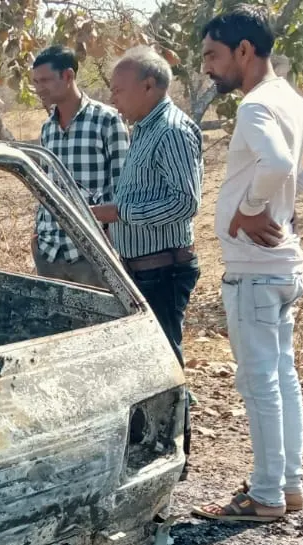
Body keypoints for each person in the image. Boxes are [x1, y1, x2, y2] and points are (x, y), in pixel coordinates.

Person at [191, 5, 303, 523]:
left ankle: (264, 495)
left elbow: (281, 162)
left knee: (259, 381)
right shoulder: (290, 99)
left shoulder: (256, 105)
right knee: (281, 376)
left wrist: (254, 208)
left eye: (213, 56)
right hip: (282, 269)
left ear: (244, 50)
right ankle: (288, 485)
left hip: (255, 270)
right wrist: (287, 198)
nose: (208, 68)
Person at [90, 46, 204, 365]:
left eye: (118, 91)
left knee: (162, 361)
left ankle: (175, 416)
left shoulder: (171, 131)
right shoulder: (144, 129)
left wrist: (120, 213)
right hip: (143, 270)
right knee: (147, 360)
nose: (113, 100)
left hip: (163, 271)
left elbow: (184, 202)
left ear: (149, 85)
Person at [30, 45, 129, 286]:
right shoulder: (48, 128)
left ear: (68, 76)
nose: (38, 88)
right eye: (35, 81)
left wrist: (109, 240)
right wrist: (37, 233)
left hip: (91, 251)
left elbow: (123, 185)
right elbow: (45, 184)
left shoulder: (106, 120)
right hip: (50, 250)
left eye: (44, 80)